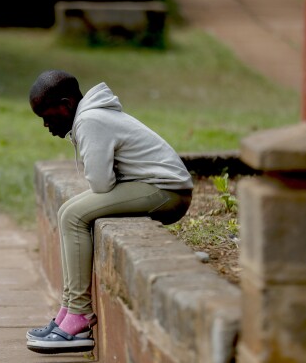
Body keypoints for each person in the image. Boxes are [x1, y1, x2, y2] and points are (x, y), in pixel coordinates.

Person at [25, 70, 193, 354]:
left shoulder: (91, 120)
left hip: (168, 192)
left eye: (47, 115)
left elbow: (101, 184)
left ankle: (78, 316)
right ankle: (69, 309)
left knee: (73, 215)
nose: (45, 124)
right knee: (70, 211)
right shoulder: (90, 117)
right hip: (155, 187)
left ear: (66, 104)